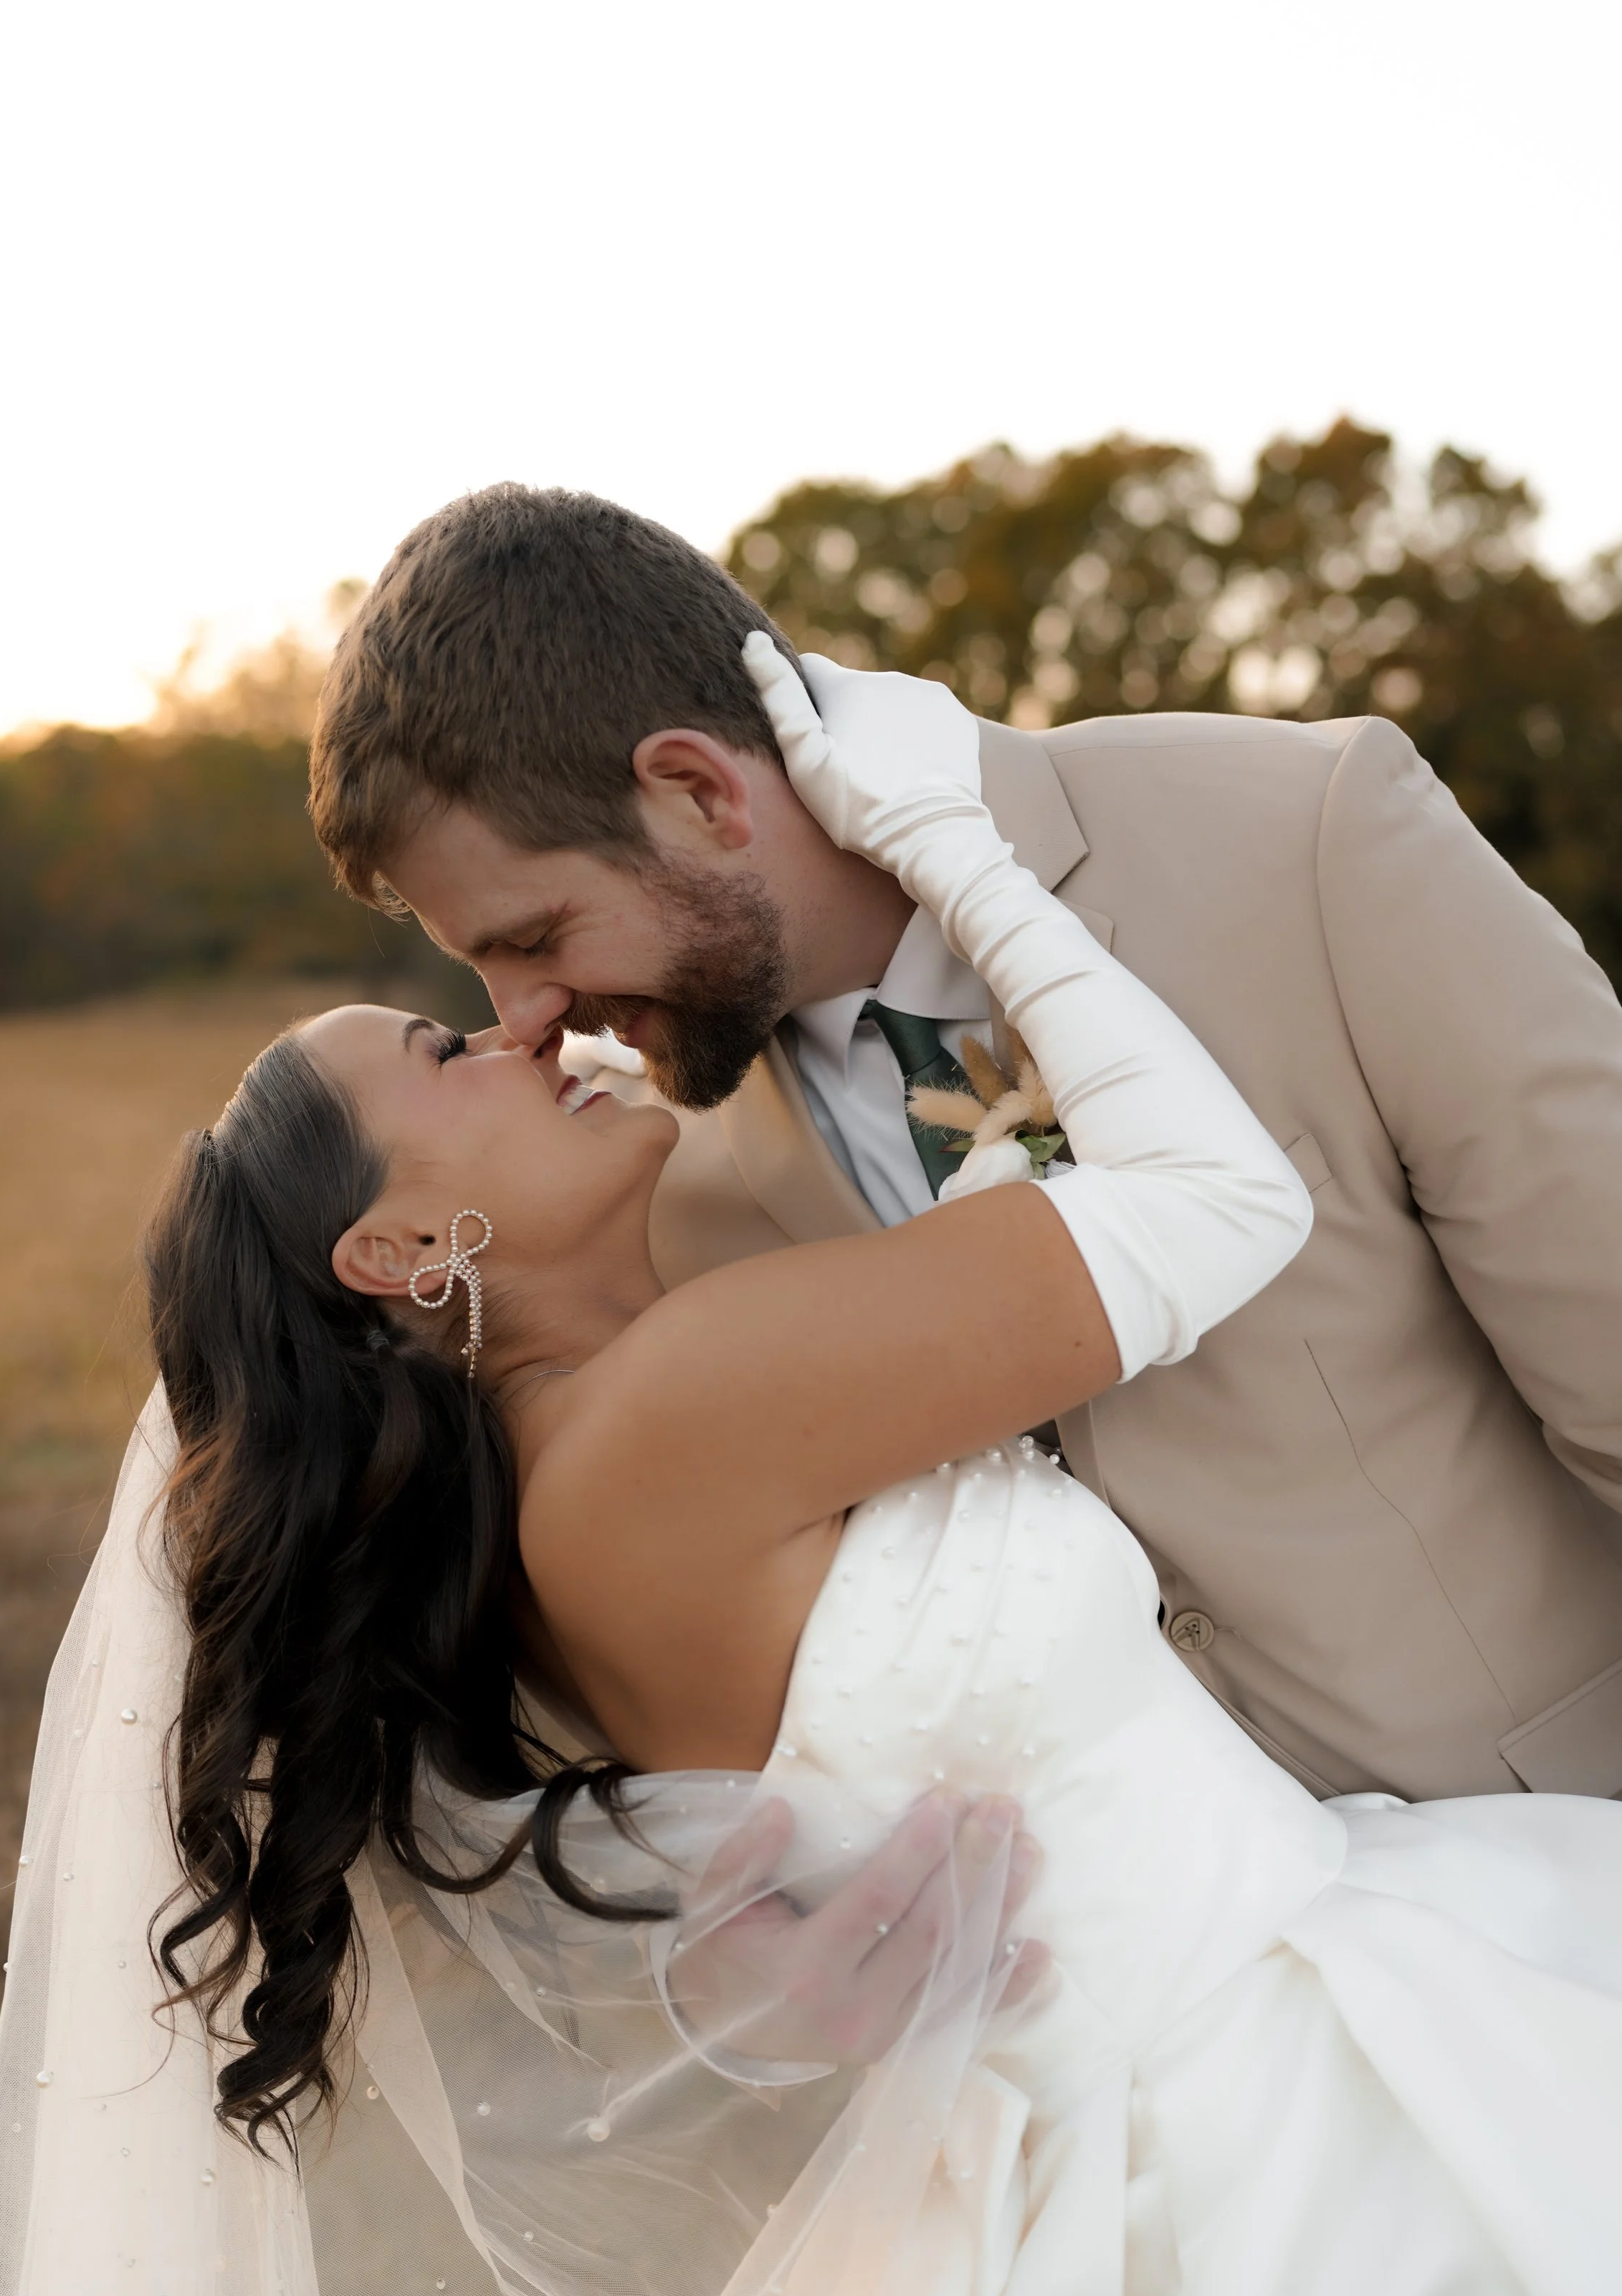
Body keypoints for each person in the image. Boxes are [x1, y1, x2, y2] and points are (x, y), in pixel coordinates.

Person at [0, 651, 1622, 2296]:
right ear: (398, 1246)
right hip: (1266, 2104)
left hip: (1206, 2037)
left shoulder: (565, 1487)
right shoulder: (672, 1415)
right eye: (448, 1047)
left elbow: (738, 1819)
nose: (525, 1027)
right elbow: (1210, 1194)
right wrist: (955, 842)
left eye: (500, 975)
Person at [308, 484, 1622, 1809]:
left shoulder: (1304, 837)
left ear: (699, 791)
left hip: (1560, 1851)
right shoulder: (667, 1202)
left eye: (534, 940)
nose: (525, 1019)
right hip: (1153, 1973)